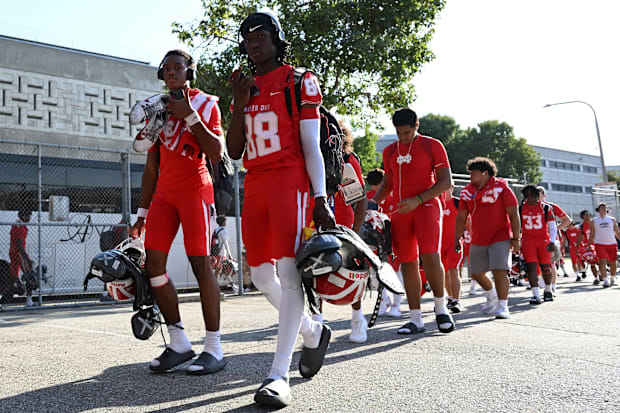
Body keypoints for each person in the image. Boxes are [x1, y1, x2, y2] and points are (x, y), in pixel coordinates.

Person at [227, 11, 335, 407]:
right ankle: (311, 330)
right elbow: (234, 151)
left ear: (277, 38)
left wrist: (320, 197)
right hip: (254, 183)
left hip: (291, 180)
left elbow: (312, 144)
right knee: (259, 276)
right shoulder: (246, 85)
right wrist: (239, 103)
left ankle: (278, 375)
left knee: (289, 275)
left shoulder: (299, 80)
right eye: (247, 38)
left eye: (261, 35)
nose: (253, 43)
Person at [130, 49, 227, 375]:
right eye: (166, 68)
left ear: (189, 72)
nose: (171, 72)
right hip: (164, 195)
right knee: (154, 266)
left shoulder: (206, 103)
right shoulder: (157, 107)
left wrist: (189, 115)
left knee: (201, 264)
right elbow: (151, 166)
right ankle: (179, 342)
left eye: (178, 67)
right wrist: (142, 210)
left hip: (195, 190)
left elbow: (216, 152)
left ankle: (214, 347)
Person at [371, 108, 454, 335]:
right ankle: (415, 318)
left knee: (430, 256)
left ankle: (441, 309)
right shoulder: (389, 151)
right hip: (401, 211)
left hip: (425, 206)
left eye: (406, 132)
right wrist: (373, 203)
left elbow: (446, 181)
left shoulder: (432, 145)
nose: (403, 137)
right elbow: (387, 183)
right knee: (407, 261)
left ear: (416, 125)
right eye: (399, 133)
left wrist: (418, 200)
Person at [454, 157, 520, 319]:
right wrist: (457, 237)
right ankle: (492, 296)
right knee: (476, 273)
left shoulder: (502, 188)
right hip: (478, 238)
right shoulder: (467, 192)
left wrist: (516, 238)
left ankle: (503, 306)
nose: (470, 177)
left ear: (485, 174)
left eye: (473, 173)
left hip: (500, 236)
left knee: (500, 270)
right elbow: (462, 217)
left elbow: (513, 214)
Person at [366, 168, 402, 317]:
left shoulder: (395, 195)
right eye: (372, 185)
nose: (375, 189)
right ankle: (384, 300)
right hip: (375, 239)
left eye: (378, 184)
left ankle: (397, 304)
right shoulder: (368, 197)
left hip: (394, 237)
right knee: (374, 271)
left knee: (395, 271)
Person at [519, 185, 557, 304]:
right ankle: (535, 294)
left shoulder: (546, 208)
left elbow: (552, 225)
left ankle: (548, 290)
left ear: (537, 195)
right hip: (527, 241)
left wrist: (552, 241)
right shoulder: (520, 208)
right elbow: (517, 226)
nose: (530, 198)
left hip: (543, 240)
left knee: (546, 267)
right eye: (527, 195)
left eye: (532, 195)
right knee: (531, 268)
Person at [537, 186, 570, 293]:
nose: (537, 196)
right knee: (538, 263)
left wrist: (556, 229)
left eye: (539, 194)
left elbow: (567, 220)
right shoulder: (530, 206)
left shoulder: (551, 206)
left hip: (550, 240)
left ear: (544, 195)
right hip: (536, 239)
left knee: (550, 264)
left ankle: (553, 286)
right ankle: (544, 284)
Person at [442, 184, 464, 313]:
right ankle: (450, 298)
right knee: (443, 272)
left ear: (451, 187)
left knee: (453, 270)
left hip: (454, 242)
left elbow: (467, 221)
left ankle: (456, 300)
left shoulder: (458, 203)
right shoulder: (437, 203)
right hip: (440, 243)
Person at [588, 202, 620, 288]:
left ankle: (612, 278)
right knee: (602, 262)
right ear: (598, 210)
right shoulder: (594, 221)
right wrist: (588, 245)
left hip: (611, 243)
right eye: (602, 208)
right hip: (599, 243)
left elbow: (616, 232)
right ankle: (605, 280)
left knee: (613, 262)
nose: (604, 209)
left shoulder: (612, 219)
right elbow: (592, 233)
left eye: (605, 208)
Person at [9, 209, 34, 307]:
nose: (29, 218)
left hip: (13, 252)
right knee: (30, 275)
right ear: (22, 216)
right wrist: (27, 260)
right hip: (18, 253)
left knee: (13, 276)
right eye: (27, 216)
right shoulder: (21, 227)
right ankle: (29, 300)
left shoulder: (16, 224)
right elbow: (19, 245)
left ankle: (5, 299)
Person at [578, 210, 600, 283]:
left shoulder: (594, 223)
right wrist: (580, 247)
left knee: (601, 261)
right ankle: (596, 278)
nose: (587, 215)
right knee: (592, 262)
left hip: (598, 243)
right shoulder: (581, 226)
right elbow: (581, 238)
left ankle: (601, 273)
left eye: (588, 214)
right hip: (589, 246)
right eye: (585, 214)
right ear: (582, 217)